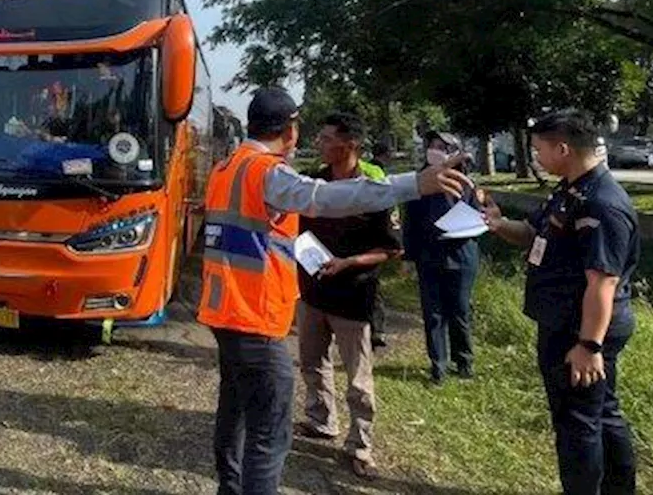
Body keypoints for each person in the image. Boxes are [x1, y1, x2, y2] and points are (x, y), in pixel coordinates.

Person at [198, 86, 473, 495]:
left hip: (224, 313)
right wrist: (416, 183)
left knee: (235, 412)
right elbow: (325, 197)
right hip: (253, 318)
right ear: (290, 130)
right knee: (268, 436)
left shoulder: (225, 168)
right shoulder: (265, 171)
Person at [484, 110, 638, 495]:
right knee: (600, 414)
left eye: (539, 150)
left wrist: (589, 346)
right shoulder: (570, 190)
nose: (535, 157)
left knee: (578, 424)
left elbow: (602, 283)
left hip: (579, 329)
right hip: (565, 321)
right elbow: (535, 233)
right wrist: (500, 225)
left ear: (563, 149)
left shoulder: (601, 204)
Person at [295, 113, 403, 479]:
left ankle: (361, 445)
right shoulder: (315, 184)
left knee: (358, 378)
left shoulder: (375, 190)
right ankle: (321, 419)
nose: (319, 144)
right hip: (312, 293)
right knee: (312, 362)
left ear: (350, 144)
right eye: (320, 137)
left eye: (326, 139)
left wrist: (348, 262)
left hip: (353, 298)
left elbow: (390, 250)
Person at [403, 131, 483, 384]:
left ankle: (464, 363)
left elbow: (480, 216)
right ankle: (438, 365)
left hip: (461, 254)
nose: (434, 150)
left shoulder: (467, 183)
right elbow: (410, 223)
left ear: (453, 152)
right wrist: (409, 256)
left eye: (441, 146)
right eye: (432, 146)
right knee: (433, 313)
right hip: (429, 255)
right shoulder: (420, 183)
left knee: (459, 310)